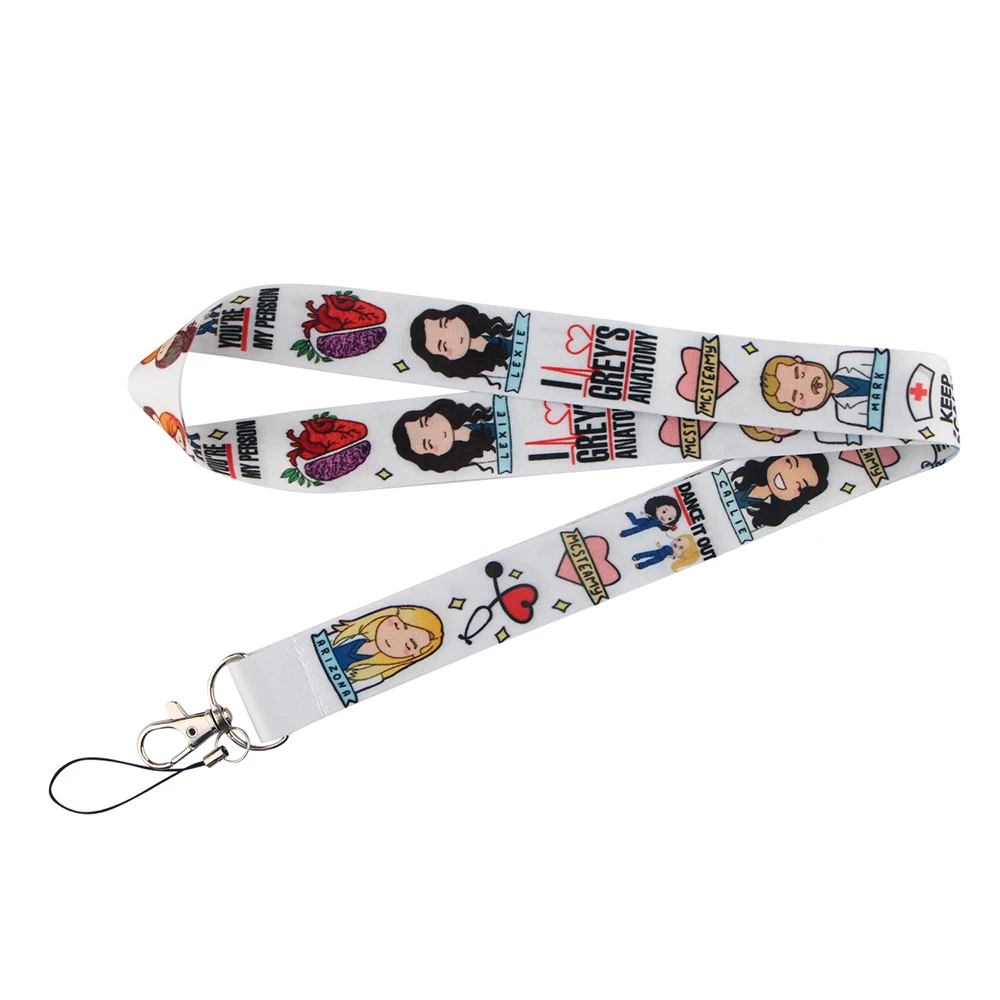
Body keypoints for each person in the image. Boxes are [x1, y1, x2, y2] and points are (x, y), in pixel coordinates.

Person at [326, 606, 444, 693]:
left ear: (415, 655)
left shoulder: (372, 675)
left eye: (408, 645)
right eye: (397, 625)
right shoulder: (347, 634)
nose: (396, 638)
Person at [392, 398, 497, 473]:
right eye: (429, 444)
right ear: (434, 457)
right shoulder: (473, 452)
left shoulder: (471, 415)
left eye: (426, 422)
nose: (435, 433)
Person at [409, 304, 514, 379]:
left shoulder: (495, 328)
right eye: (444, 346)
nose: (452, 337)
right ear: (446, 360)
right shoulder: (494, 373)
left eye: (445, 323)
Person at [728, 454, 830, 528]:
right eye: (789, 463)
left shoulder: (767, 515)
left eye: (799, 486)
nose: (788, 478)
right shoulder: (738, 477)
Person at [631, 533, 700, 572]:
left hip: (660, 558)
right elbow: (661, 547)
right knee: (646, 554)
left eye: (681, 547)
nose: (677, 544)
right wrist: (658, 545)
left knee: (650, 562)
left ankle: (640, 565)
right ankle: (636, 557)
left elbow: (668, 556)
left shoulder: (672, 552)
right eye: (679, 540)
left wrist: (672, 557)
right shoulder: (668, 546)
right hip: (656, 552)